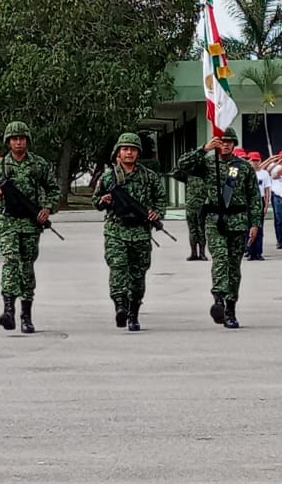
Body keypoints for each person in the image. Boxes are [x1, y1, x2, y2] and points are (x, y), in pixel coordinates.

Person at [172, 127, 261, 329]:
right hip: (214, 220)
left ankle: (230, 308)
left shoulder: (243, 167)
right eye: (222, 141)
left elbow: (254, 196)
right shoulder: (207, 164)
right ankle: (219, 297)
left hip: (238, 221)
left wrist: (255, 223)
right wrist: (204, 149)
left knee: (233, 267)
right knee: (220, 258)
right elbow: (181, 165)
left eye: (230, 141)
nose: (226, 144)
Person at [0, 120, 60, 334]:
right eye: (14, 139)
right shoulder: (0, 165)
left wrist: (47, 208)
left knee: (26, 267)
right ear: (8, 142)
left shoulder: (39, 164)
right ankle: (8, 309)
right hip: (8, 221)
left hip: (30, 223)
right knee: (11, 260)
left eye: (22, 138)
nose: (18, 142)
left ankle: (26, 315)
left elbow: (54, 189)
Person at [92, 132, 167, 331]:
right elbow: (96, 201)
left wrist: (156, 213)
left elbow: (160, 200)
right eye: (125, 149)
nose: (128, 153)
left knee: (137, 276)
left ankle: (134, 312)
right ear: (119, 152)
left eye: (132, 149)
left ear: (138, 153)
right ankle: (120, 307)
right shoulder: (108, 177)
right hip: (116, 230)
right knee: (118, 269)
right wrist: (103, 201)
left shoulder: (149, 177)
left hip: (140, 232)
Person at [171, 159, 208, 262]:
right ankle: (193, 253)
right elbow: (175, 174)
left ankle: (202, 253)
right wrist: (185, 165)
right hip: (190, 207)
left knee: (201, 231)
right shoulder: (188, 175)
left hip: (202, 206)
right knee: (192, 231)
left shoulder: (206, 177)